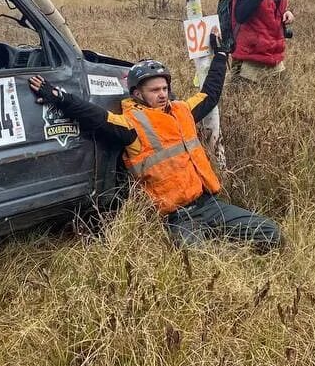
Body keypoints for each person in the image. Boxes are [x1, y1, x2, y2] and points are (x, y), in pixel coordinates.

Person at [28, 34, 280, 248]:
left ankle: (221, 236)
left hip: (210, 204)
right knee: (199, 259)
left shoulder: (183, 111)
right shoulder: (130, 125)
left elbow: (209, 95)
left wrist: (221, 56)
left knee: (272, 234)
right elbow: (94, 115)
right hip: (177, 217)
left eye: (164, 88)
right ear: (138, 94)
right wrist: (58, 97)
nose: (162, 94)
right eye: (154, 90)